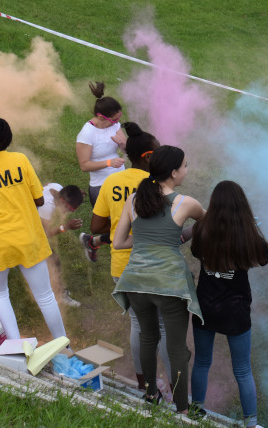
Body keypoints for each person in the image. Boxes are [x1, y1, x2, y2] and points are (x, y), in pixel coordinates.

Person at [189, 180, 268, 426]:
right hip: (235, 312)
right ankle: (251, 423)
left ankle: (196, 410)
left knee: (202, 362)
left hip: (204, 307)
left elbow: (197, 252)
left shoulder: (202, 229)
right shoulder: (248, 236)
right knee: (242, 370)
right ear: (242, 207)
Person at [112, 145, 205, 414]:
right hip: (169, 284)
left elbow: (118, 243)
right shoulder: (186, 203)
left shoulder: (133, 200)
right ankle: (182, 409)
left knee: (148, 337)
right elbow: (207, 222)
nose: (187, 170)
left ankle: (151, 394)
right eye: (185, 166)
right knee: (176, 348)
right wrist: (182, 235)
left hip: (135, 281)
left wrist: (144, 240)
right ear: (174, 173)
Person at [85, 122, 172, 391]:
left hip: (123, 266)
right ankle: (176, 387)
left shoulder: (112, 181)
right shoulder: (159, 185)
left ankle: (144, 383)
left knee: (139, 323)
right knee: (165, 328)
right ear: (148, 157)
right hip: (156, 264)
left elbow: (96, 227)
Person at [0, 117, 66, 341]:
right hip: (28, 239)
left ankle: (15, 346)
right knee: (46, 297)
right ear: (8, 139)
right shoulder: (20, 159)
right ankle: (64, 347)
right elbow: (39, 200)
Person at [75, 81, 126, 207]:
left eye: (119, 118)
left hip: (121, 180)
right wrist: (109, 163)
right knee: (105, 225)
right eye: (114, 120)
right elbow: (84, 166)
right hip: (101, 185)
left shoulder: (114, 125)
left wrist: (123, 145)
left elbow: (127, 151)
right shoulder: (87, 134)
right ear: (101, 117)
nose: (117, 123)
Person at [37, 183, 84, 307]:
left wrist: (78, 193)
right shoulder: (47, 207)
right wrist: (65, 227)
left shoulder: (57, 187)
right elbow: (44, 234)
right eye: (68, 209)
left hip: (26, 221)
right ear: (62, 201)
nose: (68, 212)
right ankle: (59, 295)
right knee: (53, 260)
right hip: (23, 230)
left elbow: (45, 185)